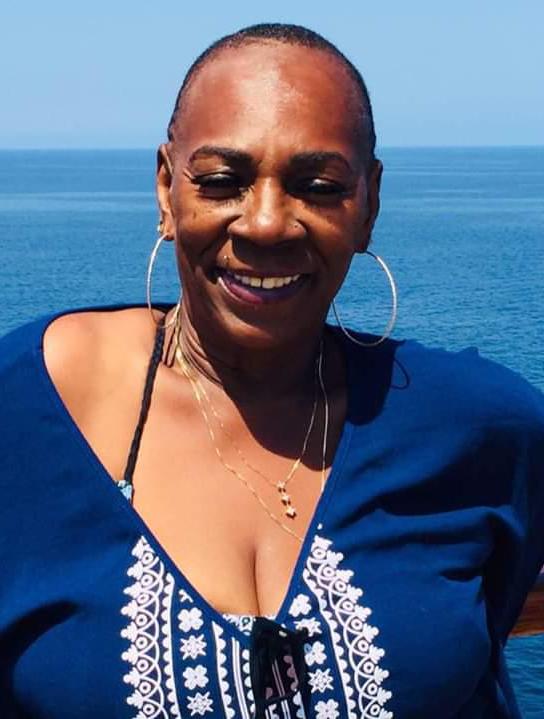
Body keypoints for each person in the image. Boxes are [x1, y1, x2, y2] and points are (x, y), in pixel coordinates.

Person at [0, 22, 543, 719]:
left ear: (369, 205)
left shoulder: (478, 426)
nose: (265, 223)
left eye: (317, 186)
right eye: (221, 181)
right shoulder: (28, 409)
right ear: (167, 190)